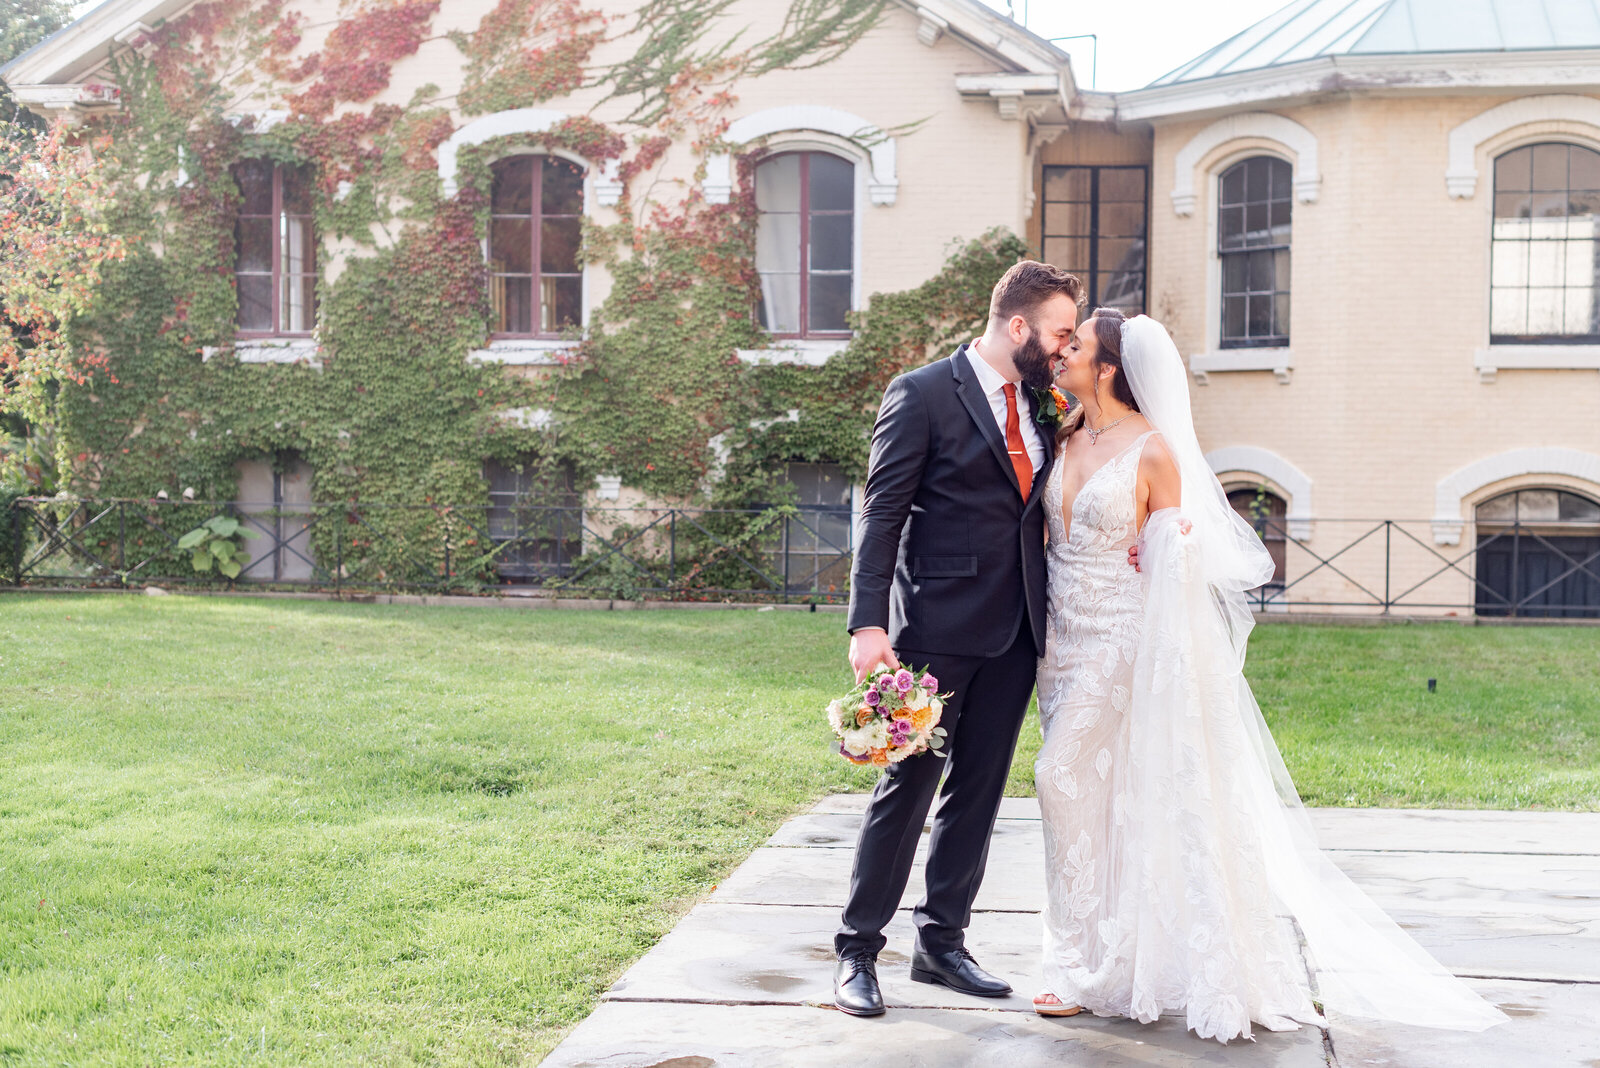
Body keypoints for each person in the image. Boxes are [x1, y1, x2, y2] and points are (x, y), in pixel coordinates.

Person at [1031, 309, 1508, 1041]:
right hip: (1060, 641)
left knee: (1055, 775)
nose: (1059, 354)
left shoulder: (1155, 452)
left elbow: (1182, 546)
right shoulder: (1062, 435)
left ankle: (1070, 963)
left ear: (1107, 369)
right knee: (1097, 794)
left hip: (1122, 640)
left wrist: (1174, 542)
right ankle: (1105, 957)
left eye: (1075, 347)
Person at [833, 260, 1080, 1017]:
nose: (1066, 348)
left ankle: (942, 943)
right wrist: (868, 622)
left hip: (1015, 634)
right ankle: (857, 950)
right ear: (1017, 327)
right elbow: (882, 513)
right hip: (934, 631)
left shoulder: (1044, 405)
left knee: (977, 793)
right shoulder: (921, 393)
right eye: (1059, 332)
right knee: (907, 790)